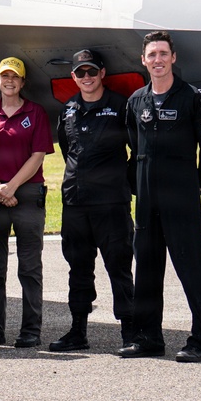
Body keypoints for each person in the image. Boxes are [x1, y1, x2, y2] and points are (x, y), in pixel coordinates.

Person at [121, 31, 201, 363]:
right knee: (147, 269)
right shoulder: (136, 101)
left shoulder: (193, 97)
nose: (158, 60)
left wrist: (197, 186)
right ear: (144, 60)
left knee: (191, 269)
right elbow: (135, 150)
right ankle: (148, 337)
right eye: (152, 55)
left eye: (164, 54)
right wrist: (140, 187)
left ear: (173, 58)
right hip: (148, 202)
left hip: (182, 200)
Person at [50, 48, 134, 352]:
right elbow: (66, 148)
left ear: (102, 74)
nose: (86, 77)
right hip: (76, 202)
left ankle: (130, 332)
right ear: (74, 77)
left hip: (111, 202)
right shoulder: (68, 108)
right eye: (80, 72)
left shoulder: (121, 106)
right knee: (78, 267)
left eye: (91, 71)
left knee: (119, 266)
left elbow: (136, 149)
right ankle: (77, 331)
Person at [0, 57, 54, 348]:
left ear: (23, 82)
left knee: (29, 268)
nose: (9, 81)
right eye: (4, 76)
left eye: (15, 77)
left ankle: (31, 330)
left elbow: (38, 155)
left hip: (26, 194)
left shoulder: (35, 113)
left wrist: (11, 186)